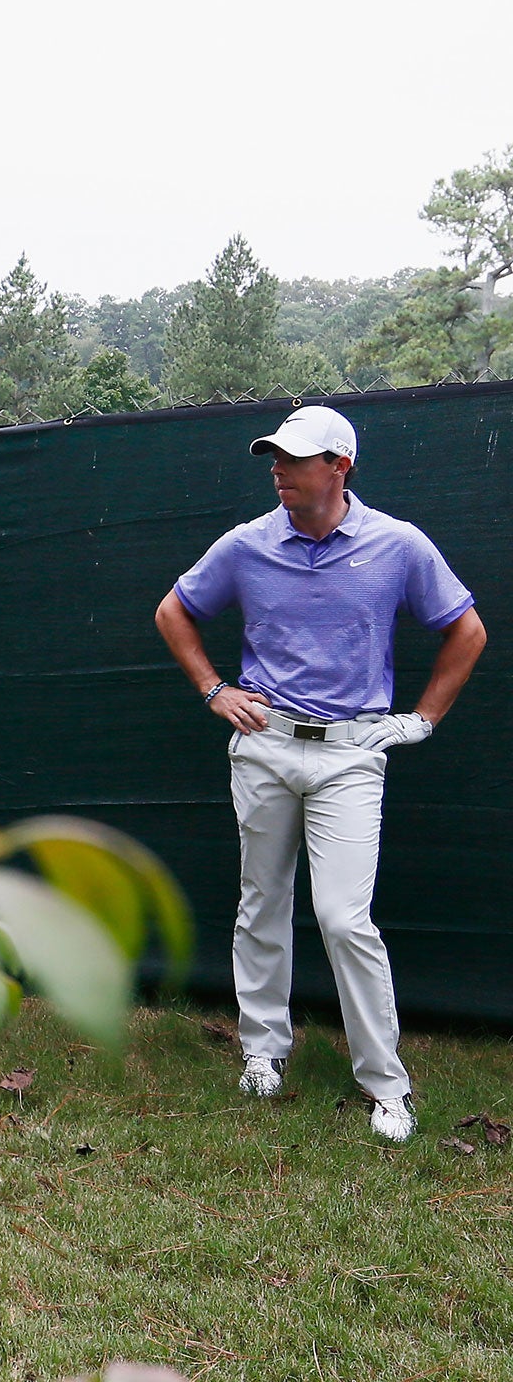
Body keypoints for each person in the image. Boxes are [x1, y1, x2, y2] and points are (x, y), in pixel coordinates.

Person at [153, 404, 486, 1144]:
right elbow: (173, 611)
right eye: (274, 458)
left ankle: (386, 1084)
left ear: (340, 465)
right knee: (261, 902)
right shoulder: (247, 544)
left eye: (295, 459)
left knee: (343, 918)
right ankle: (262, 1051)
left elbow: (467, 631)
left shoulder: (398, 545)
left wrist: (421, 720)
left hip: (351, 755)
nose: (278, 470)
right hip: (265, 743)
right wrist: (214, 689)